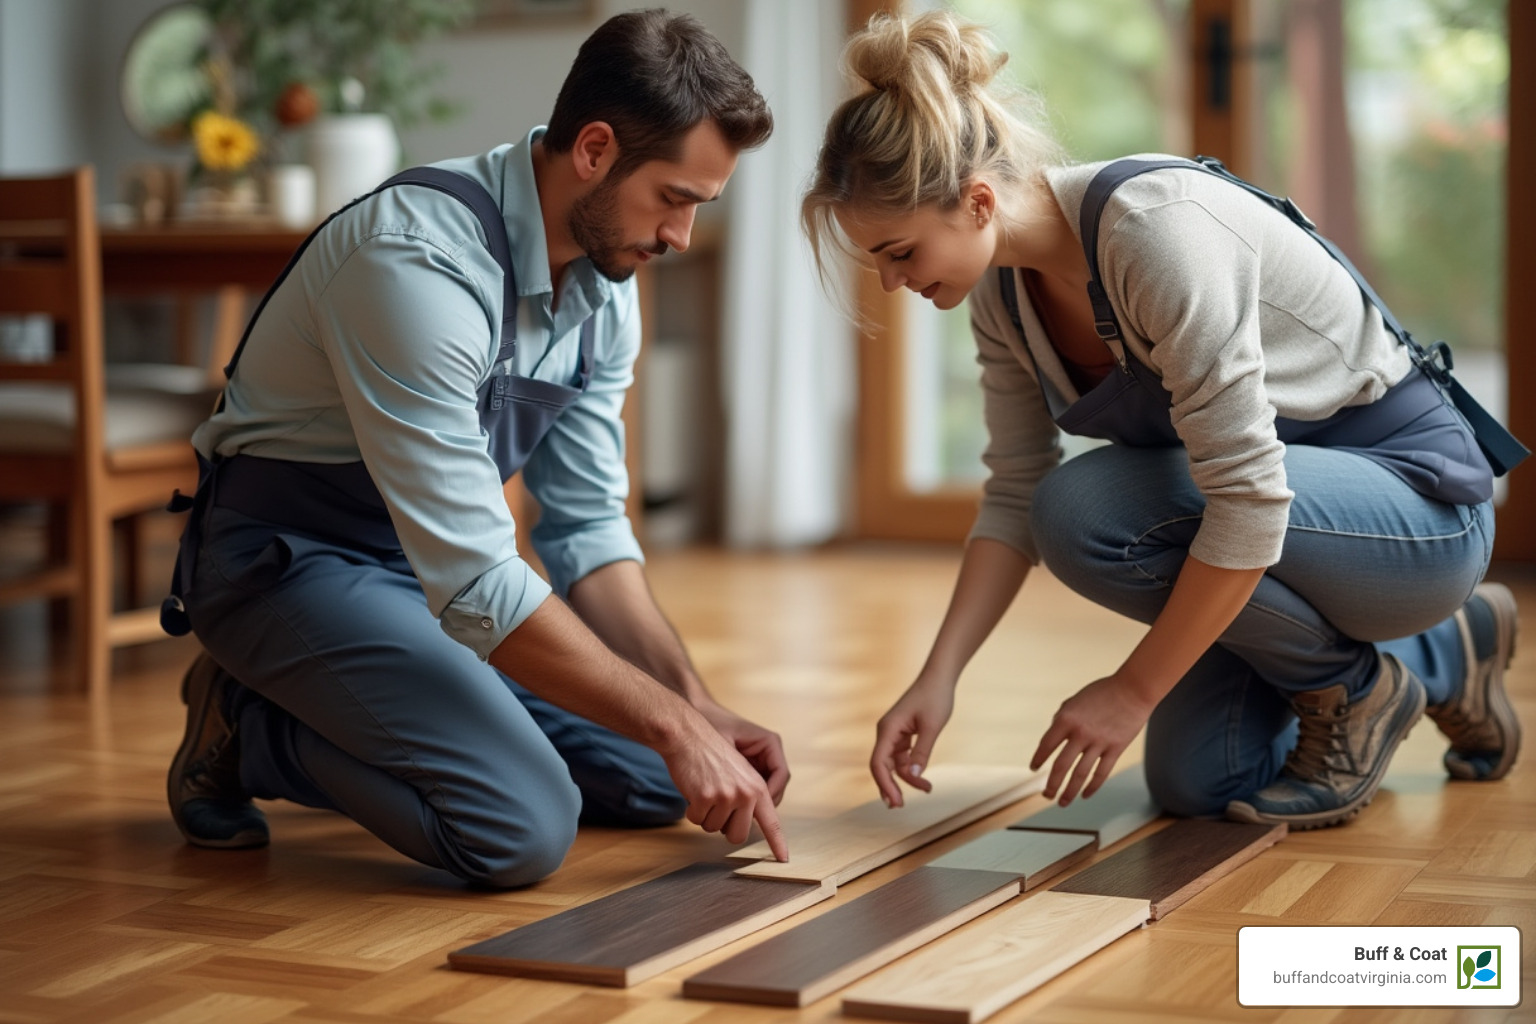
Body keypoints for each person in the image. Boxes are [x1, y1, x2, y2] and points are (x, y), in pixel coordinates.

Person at [800, 10, 1521, 830]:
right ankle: (1445, 651)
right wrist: (939, 677)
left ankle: (1356, 689)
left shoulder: (1153, 233)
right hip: (1271, 532)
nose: (892, 283)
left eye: (900, 252)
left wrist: (1131, 692)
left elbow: (1247, 501)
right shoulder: (1003, 294)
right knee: (1201, 784)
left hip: (1414, 514)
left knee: (1086, 512)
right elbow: (1011, 491)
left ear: (976, 201)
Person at [164, 8, 790, 887]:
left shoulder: (606, 288)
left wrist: (692, 706)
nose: (680, 237)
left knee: (657, 777)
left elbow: (587, 530)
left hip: (424, 582)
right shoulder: (416, 262)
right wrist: (668, 719)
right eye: (676, 199)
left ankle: (374, 703)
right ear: (596, 150)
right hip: (287, 567)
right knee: (519, 829)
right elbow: (475, 579)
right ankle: (243, 722)